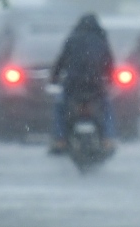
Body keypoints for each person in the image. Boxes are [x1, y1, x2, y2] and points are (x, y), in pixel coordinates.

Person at [49, 14, 116, 154]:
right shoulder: (101, 40)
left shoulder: (72, 40)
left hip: (72, 87)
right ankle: (108, 139)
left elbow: (60, 62)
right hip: (96, 87)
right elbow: (109, 64)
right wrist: (110, 81)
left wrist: (53, 78)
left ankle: (59, 139)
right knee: (107, 108)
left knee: (59, 108)